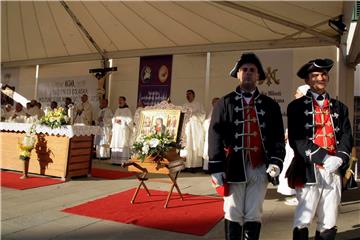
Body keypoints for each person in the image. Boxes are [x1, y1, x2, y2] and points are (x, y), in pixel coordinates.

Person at [208, 52, 285, 240]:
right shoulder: (224, 103)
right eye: (244, 70)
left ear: (258, 75)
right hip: (233, 166)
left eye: (252, 70)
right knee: (232, 210)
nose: (248, 73)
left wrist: (276, 161)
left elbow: (277, 136)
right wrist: (216, 166)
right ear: (238, 74)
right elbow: (214, 135)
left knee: (254, 212)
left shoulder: (270, 105)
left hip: (260, 167)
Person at [287, 58, 352, 240]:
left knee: (329, 219)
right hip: (309, 168)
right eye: (314, 75)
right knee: (304, 217)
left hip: (334, 169)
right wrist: (324, 158)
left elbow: (347, 135)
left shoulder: (340, 107)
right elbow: (297, 140)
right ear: (307, 81)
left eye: (323, 74)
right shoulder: (296, 107)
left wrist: (340, 157)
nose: (320, 78)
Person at [277, 84, 310, 206]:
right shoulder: (296, 107)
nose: (295, 94)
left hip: (300, 145)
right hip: (293, 144)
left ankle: (301, 196)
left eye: (298, 92)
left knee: (298, 169)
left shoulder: (305, 108)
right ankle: (297, 194)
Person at [181, 89, 206, 171]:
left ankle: (195, 166)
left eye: (189, 94)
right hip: (187, 128)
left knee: (195, 145)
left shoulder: (198, 104)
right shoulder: (184, 105)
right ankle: (185, 165)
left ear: (193, 95)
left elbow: (203, 115)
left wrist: (194, 114)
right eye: (186, 94)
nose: (188, 96)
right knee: (186, 145)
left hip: (195, 128)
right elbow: (182, 116)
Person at [110, 96, 133, 164]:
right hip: (117, 131)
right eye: (119, 100)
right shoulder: (117, 109)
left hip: (123, 131)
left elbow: (130, 120)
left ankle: (123, 161)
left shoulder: (127, 110)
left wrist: (122, 121)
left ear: (124, 101)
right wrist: (114, 120)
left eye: (121, 100)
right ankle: (115, 161)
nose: (119, 101)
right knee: (116, 143)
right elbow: (113, 118)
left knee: (122, 144)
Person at [203, 97, 220, 172]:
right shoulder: (211, 111)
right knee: (208, 150)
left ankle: (216, 168)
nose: (215, 104)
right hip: (209, 135)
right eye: (214, 102)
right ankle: (207, 168)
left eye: (217, 102)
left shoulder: (221, 111)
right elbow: (205, 123)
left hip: (218, 136)